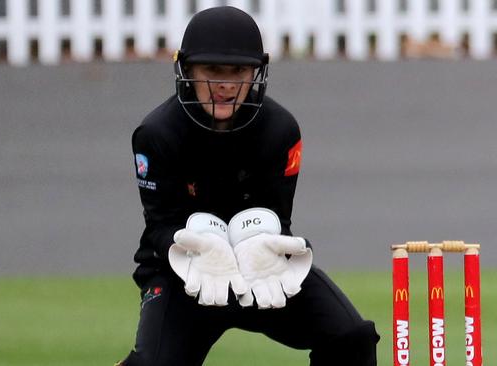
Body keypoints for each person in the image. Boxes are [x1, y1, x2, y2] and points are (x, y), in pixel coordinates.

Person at [118, 6, 379, 366]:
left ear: (256, 72)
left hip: (260, 272)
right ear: (187, 70)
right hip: (186, 275)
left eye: (239, 71)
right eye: (212, 70)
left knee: (352, 337)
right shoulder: (156, 134)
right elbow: (161, 226)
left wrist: (278, 249)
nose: (225, 85)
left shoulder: (280, 130)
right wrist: (194, 249)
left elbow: (277, 221)